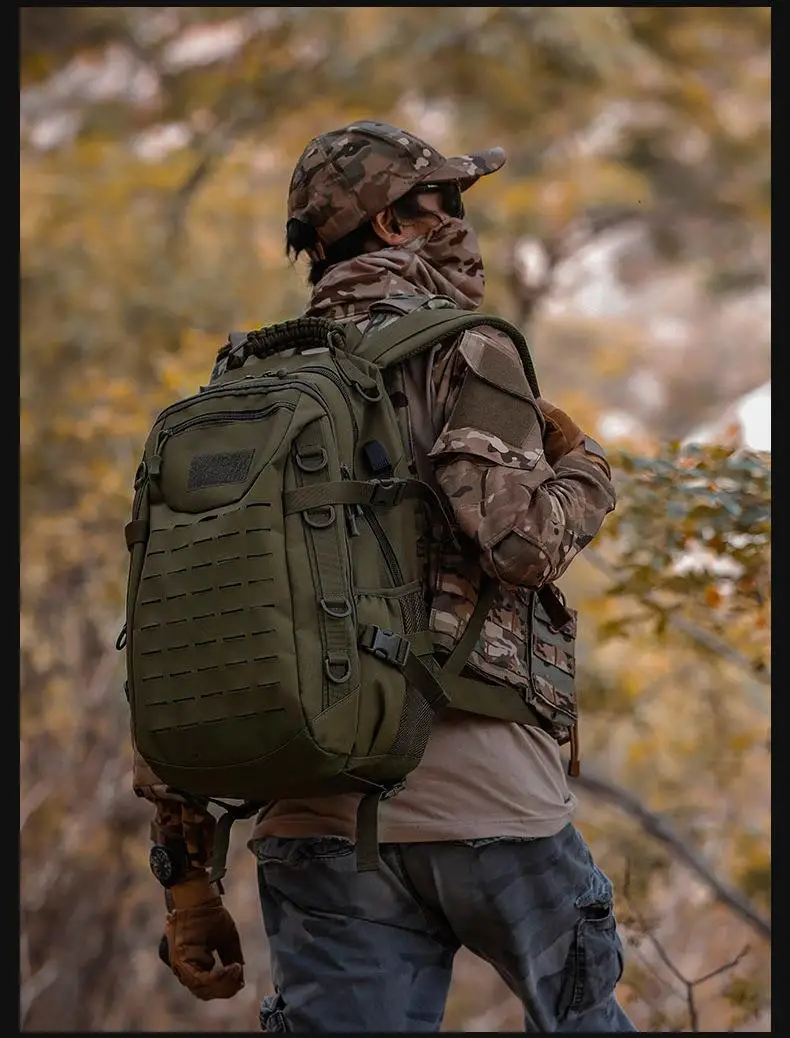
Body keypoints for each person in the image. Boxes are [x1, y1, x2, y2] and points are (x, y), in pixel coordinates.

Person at [133, 119, 636, 1032]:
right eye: (444, 202)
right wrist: (589, 467)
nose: (462, 227)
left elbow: (189, 629)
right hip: (490, 804)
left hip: (311, 817)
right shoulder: (467, 349)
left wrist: (188, 881)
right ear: (394, 225)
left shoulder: (237, 389)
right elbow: (522, 547)